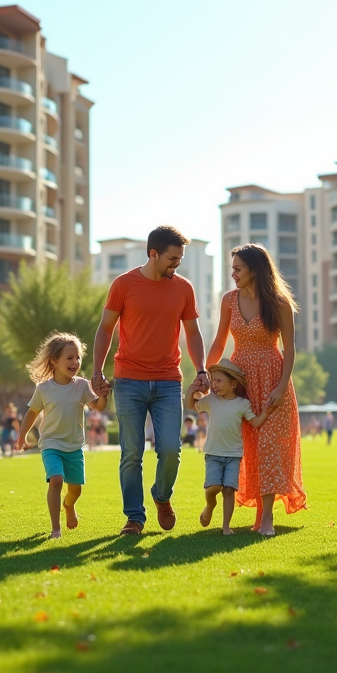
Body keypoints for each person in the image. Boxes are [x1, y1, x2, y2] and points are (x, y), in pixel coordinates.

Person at [91, 226, 207, 536]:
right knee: (132, 451)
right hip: (129, 380)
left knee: (171, 449)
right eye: (172, 258)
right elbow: (105, 329)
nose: (176, 264)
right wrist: (97, 370)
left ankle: (161, 495)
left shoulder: (184, 288)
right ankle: (134, 517)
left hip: (169, 380)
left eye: (179, 259)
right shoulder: (123, 284)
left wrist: (202, 370)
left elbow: (193, 333)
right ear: (152, 253)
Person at [206, 243, 307, 536]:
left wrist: (282, 385)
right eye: (232, 269)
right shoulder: (229, 300)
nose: (234, 274)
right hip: (240, 381)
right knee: (248, 447)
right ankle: (256, 512)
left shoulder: (279, 303)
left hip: (274, 379)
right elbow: (218, 341)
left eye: (238, 268)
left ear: (255, 269)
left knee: (271, 447)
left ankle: (266, 518)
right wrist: (207, 375)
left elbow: (289, 349)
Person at [17, 332, 109, 539]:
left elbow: (99, 407)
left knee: (75, 490)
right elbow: (32, 412)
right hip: (51, 444)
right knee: (56, 480)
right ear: (55, 361)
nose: (75, 362)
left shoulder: (82, 386)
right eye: (70, 357)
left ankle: (69, 505)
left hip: (74, 446)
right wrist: (21, 437)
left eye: (78, 357)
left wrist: (104, 393)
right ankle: (55, 529)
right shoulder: (44, 389)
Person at [185, 359, 272, 535]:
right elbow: (191, 406)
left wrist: (266, 411)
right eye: (213, 380)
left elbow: (255, 422)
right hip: (213, 453)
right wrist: (191, 391)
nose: (214, 385)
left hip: (233, 454)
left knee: (229, 490)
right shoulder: (211, 400)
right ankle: (210, 504)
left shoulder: (242, 404)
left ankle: (226, 527)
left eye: (218, 381)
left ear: (233, 383)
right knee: (213, 487)